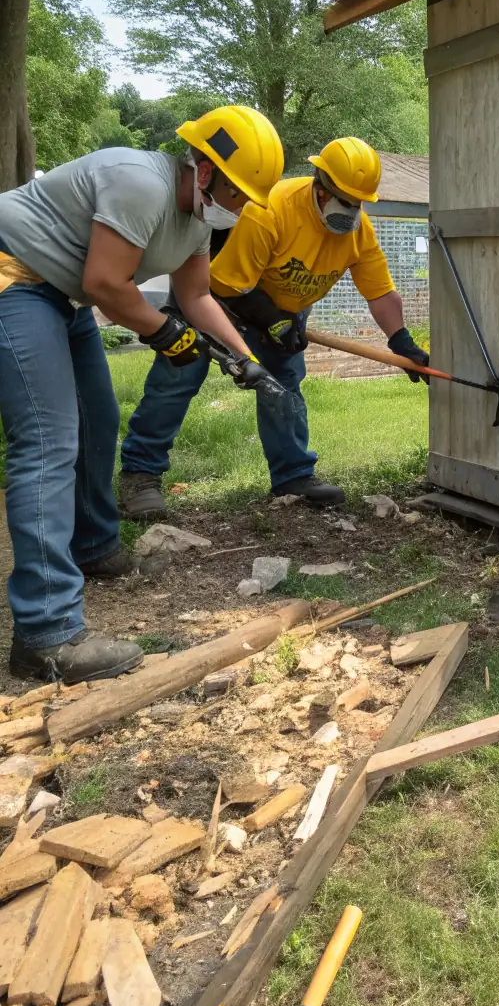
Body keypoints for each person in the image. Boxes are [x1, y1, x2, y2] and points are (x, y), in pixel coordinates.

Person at [0, 105, 285, 683]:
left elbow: (198, 297)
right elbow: (107, 283)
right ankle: (45, 633)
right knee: (48, 442)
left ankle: (92, 547)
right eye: (234, 192)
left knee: (97, 422)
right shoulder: (137, 181)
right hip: (14, 276)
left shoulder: (200, 221)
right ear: (204, 170)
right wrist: (162, 333)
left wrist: (245, 360)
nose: (237, 207)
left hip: (64, 294)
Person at [118, 137, 429, 515]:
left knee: (282, 386)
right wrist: (271, 319)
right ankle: (140, 476)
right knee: (178, 378)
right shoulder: (271, 209)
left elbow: (380, 294)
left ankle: (293, 476)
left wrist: (402, 343)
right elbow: (224, 284)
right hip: (216, 300)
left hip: (285, 311)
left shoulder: (358, 233)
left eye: (357, 202)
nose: (351, 210)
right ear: (320, 187)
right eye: (343, 200)